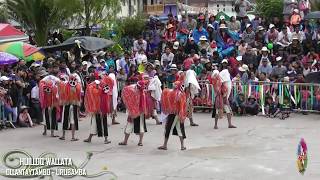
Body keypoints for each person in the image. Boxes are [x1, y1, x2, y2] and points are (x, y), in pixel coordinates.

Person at [119, 77, 150, 146]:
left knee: (132, 125)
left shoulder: (140, 92)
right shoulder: (140, 91)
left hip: (136, 111)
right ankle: (138, 142)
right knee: (138, 126)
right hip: (137, 111)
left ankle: (128, 141)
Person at [158, 78, 187, 151]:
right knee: (179, 129)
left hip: (173, 114)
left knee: (168, 128)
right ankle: (182, 146)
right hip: (177, 114)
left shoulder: (175, 93)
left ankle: (165, 145)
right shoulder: (180, 93)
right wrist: (181, 114)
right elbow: (183, 106)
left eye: (175, 84)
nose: (173, 85)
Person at [84, 75, 114, 144]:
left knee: (97, 123)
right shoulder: (98, 87)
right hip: (100, 107)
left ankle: (91, 138)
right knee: (97, 123)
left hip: (99, 108)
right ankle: (93, 138)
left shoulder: (99, 87)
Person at [59, 72, 82, 141]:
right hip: (74, 105)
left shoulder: (65, 86)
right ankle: (73, 137)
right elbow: (79, 98)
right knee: (73, 120)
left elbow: (62, 95)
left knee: (65, 119)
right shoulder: (77, 87)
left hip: (67, 104)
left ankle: (63, 135)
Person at [39, 68, 60, 137]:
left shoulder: (44, 86)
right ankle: (52, 133)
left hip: (47, 105)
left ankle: (45, 131)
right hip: (52, 104)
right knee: (52, 118)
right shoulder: (54, 87)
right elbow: (57, 97)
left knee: (46, 118)